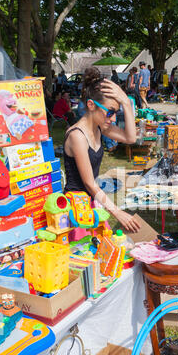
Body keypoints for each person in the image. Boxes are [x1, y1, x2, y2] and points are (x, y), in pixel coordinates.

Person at [63, 66, 140, 232]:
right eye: (110, 112)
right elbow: (89, 183)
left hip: (91, 204)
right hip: (75, 209)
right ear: (91, 105)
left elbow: (130, 138)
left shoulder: (100, 128)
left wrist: (126, 102)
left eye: (116, 113)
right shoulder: (77, 136)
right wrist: (117, 212)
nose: (113, 118)